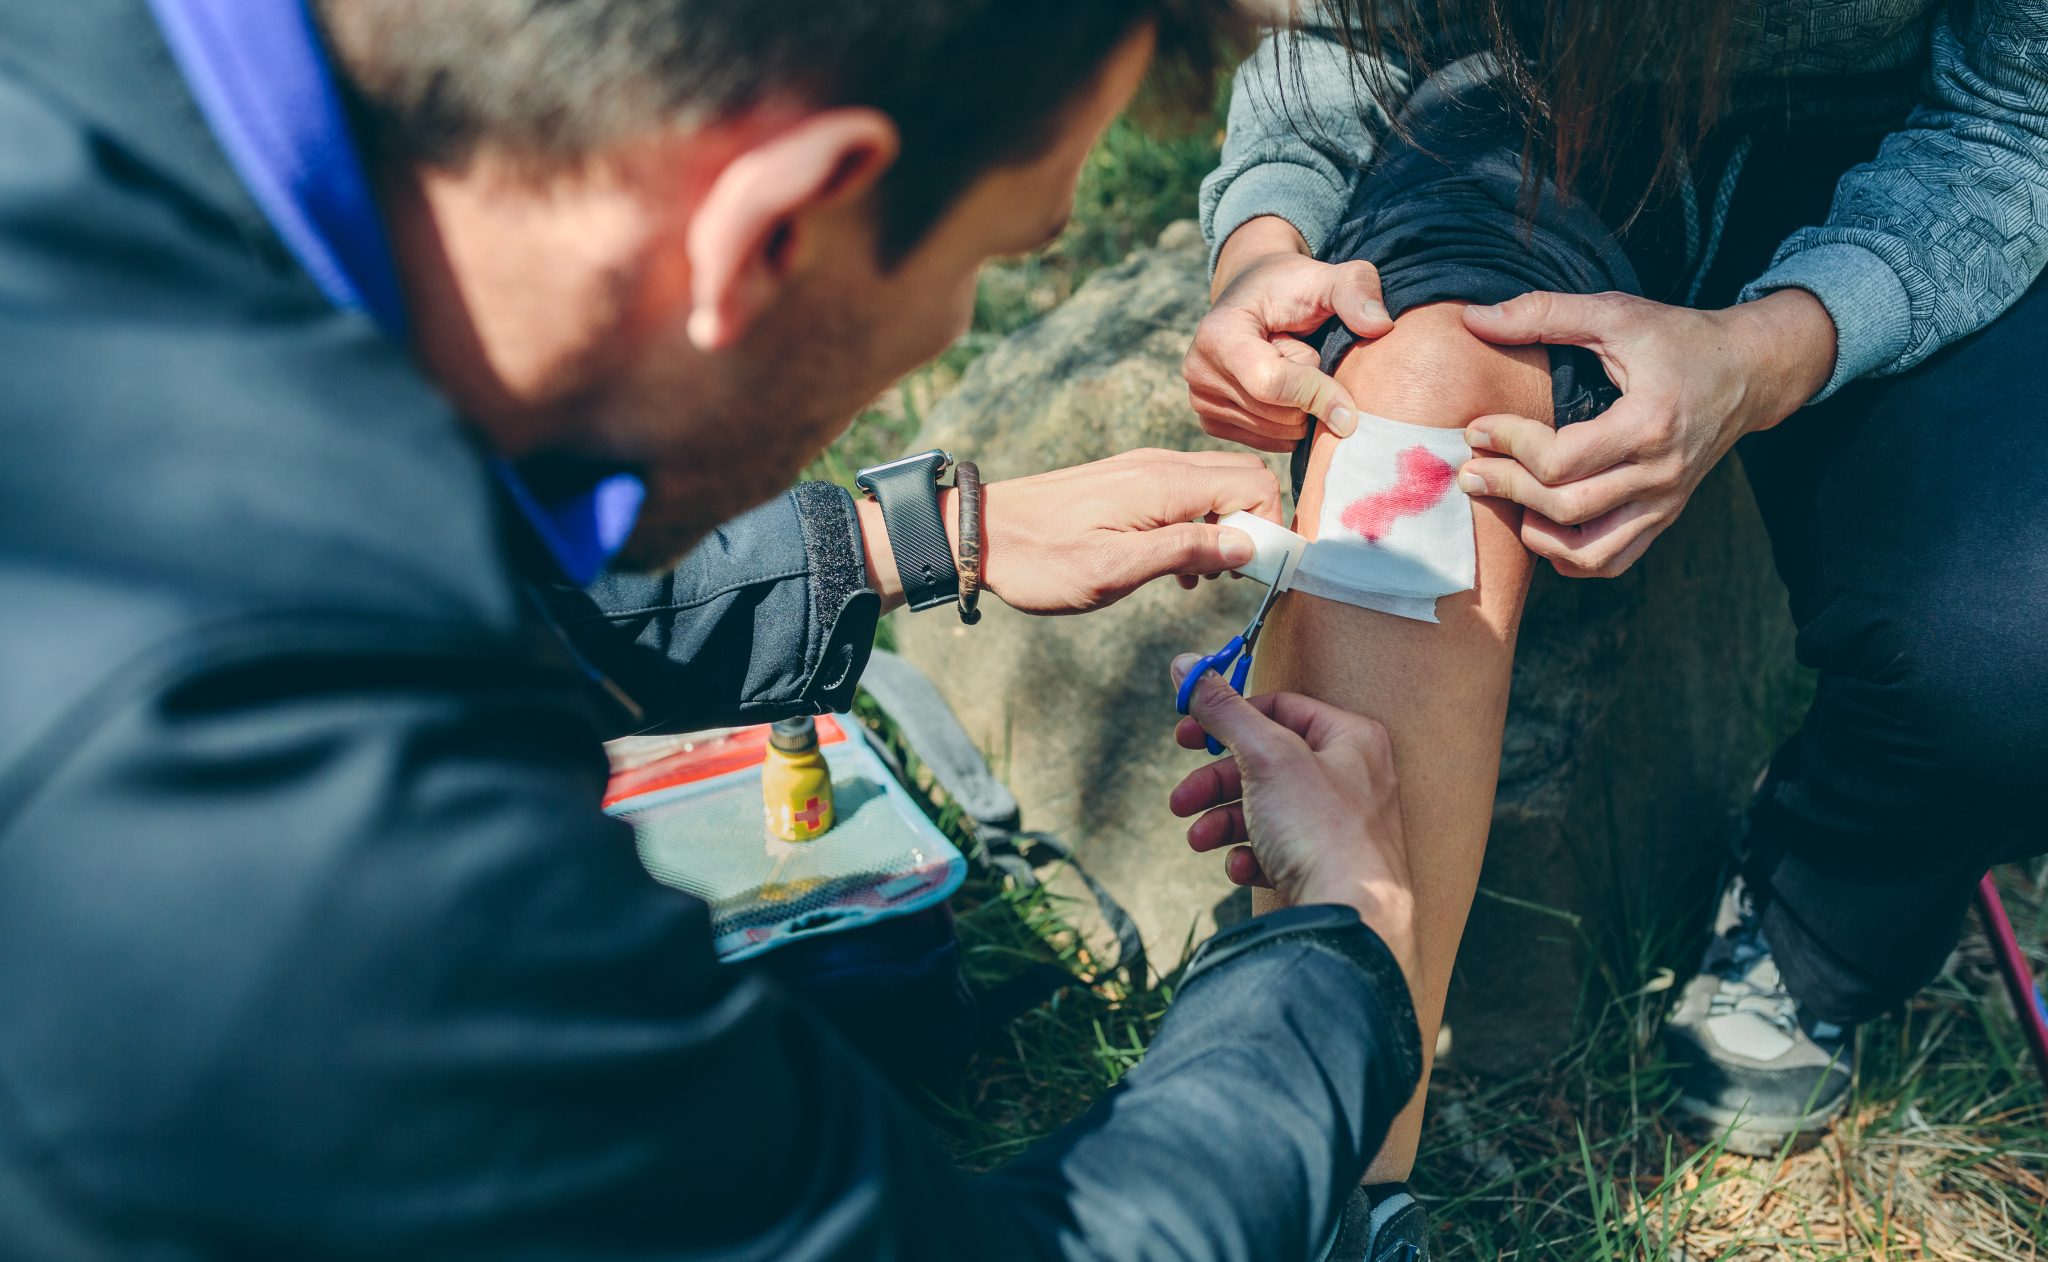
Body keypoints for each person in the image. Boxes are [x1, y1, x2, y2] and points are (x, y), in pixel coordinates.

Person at [0, 1, 1430, 1257]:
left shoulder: (100, 113)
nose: (959, 322)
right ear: (776, 223)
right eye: (994, 259)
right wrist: (1335, 947)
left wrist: (897, 543)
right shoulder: (302, 808)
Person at [1185, 0, 2048, 1249]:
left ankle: (1815, 914)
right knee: (1404, 420)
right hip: (1530, 113)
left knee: (2010, 658)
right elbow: (1338, 33)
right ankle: (1334, 1189)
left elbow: (2017, 117)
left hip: (1907, 133)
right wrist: (1258, 253)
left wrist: (1764, 354)